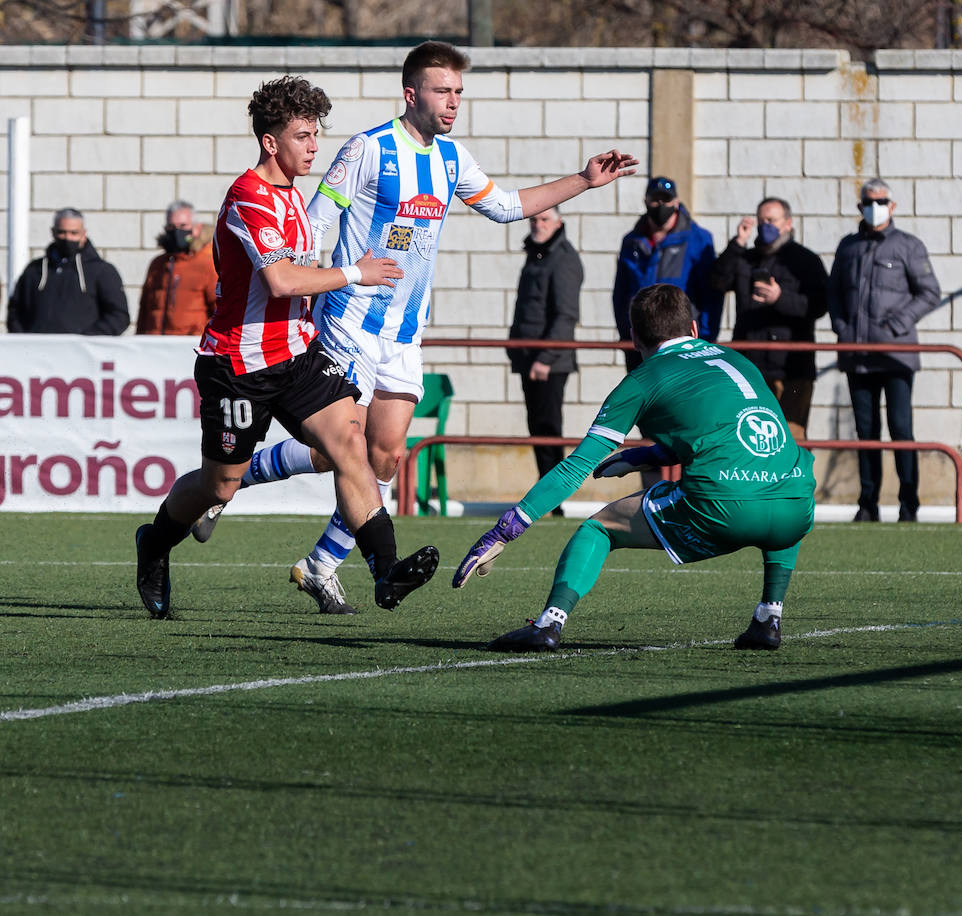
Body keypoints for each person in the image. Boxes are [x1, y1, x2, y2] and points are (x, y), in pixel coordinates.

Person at [191, 41, 637, 617]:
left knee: (384, 458)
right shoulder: (366, 150)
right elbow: (312, 222)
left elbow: (504, 206)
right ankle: (257, 502)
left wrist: (582, 179)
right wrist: (307, 287)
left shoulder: (452, 158)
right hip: (349, 322)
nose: (452, 103)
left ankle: (313, 557)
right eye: (442, 90)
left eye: (458, 92)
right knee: (342, 450)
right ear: (412, 93)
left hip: (403, 334)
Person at [133, 75, 438, 620]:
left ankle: (385, 571)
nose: (314, 146)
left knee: (351, 443)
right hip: (237, 365)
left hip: (296, 355)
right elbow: (280, 281)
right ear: (270, 142)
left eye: (316, 134)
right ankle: (154, 544)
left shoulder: (294, 196)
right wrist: (356, 273)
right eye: (302, 136)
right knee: (219, 484)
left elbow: (298, 279)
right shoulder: (248, 197)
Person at [454, 284, 816, 653]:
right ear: (693, 328)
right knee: (782, 485)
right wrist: (644, 458)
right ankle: (769, 617)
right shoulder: (736, 359)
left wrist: (505, 530)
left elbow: (575, 467)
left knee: (597, 530)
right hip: (796, 504)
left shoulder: (643, 379)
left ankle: (549, 624)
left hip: (724, 506)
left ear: (634, 338)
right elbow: (725, 438)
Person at [828, 178, 943, 523]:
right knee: (866, 433)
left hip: (896, 356)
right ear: (859, 205)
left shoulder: (908, 246)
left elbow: (929, 292)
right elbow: (833, 292)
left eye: (881, 201)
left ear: (892, 206)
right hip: (857, 357)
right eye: (868, 200)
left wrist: (895, 326)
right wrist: (842, 328)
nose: (874, 206)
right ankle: (868, 504)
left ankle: (909, 504)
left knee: (900, 429)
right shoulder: (848, 247)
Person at [710, 196, 829, 441]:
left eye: (772, 220)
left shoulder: (805, 261)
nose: (766, 225)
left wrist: (780, 298)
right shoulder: (746, 258)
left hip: (791, 367)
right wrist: (738, 243)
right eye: (761, 220)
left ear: (788, 223)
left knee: (791, 439)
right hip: (749, 366)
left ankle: (792, 481)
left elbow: (819, 306)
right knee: (749, 439)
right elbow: (717, 282)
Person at [507, 205, 583, 504]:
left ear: (558, 222)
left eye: (545, 219)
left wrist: (546, 358)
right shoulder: (536, 254)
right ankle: (546, 497)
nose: (538, 224)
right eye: (535, 219)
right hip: (529, 358)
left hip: (549, 363)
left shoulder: (563, 259)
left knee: (550, 431)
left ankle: (556, 498)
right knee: (537, 428)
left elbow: (565, 315)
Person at [612, 176, 722, 370]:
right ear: (646, 201)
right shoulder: (631, 241)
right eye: (655, 199)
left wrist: (705, 339)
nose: (661, 205)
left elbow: (710, 295)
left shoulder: (698, 239)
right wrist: (627, 334)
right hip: (641, 344)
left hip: (682, 344)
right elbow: (621, 292)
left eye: (666, 199)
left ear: (676, 202)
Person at [6, 208, 129, 335]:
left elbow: (119, 316)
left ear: (83, 234)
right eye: (62, 232)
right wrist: (24, 339)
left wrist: (86, 339)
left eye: (73, 233)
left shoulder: (102, 271)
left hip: (82, 352)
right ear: (53, 232)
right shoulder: (34, 270)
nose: (67, 238)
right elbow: (15, 311)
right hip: (37, 351)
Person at [135, 200, 218, 336]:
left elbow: (219, 309)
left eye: (183, 225)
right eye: (171, 226)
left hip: (189, 347)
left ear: (196, 228)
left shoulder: (208, 263)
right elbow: (144, 310)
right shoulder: (158, 265)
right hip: (154, 347)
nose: (176, 231)